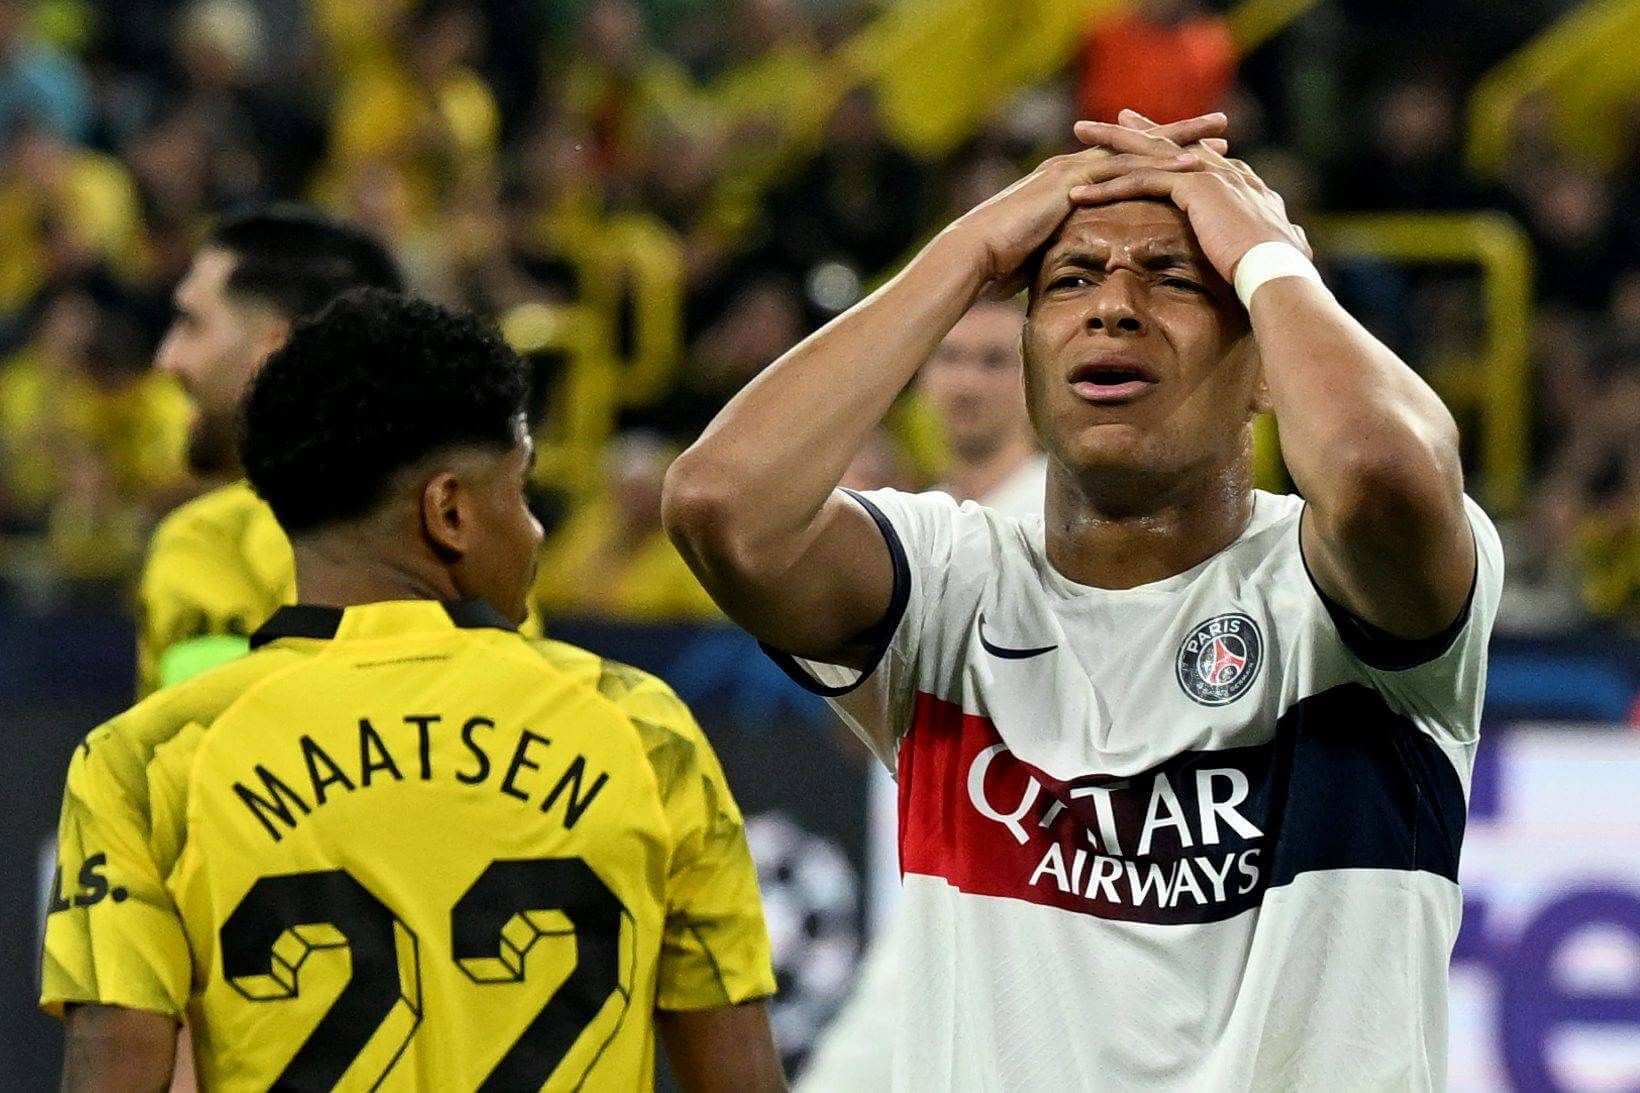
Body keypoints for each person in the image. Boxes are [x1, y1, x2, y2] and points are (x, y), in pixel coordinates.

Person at [664, 107, 1501, 1089]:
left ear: (1265, 367)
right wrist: (971, 248)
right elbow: (723, 507)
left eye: (1175, 278)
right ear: (1029, 358)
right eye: (1070, 279)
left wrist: (1268, 261)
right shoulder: (947, 590)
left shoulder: (1330, 588)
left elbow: (1376, 466)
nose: (1112, 307)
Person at [41, 290, 785, 1090]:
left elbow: (112, 1077)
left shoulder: (143, 762)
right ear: (450, 511)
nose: (535, 530)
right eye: (522, 489)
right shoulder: (642, 731)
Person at [797, 298, 1044, 1090]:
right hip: (916, 910)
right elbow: (867, 731)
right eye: (951, 357)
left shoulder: (1062, 521)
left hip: (1025, 912)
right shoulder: (918, 529)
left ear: (1042, 381)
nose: (967, 381)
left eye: (995, 360)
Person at [138, 204, 405, 696]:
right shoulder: (475, 536)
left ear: (278, 354)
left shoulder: (205, 543)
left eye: (192, 324)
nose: (167, 360)